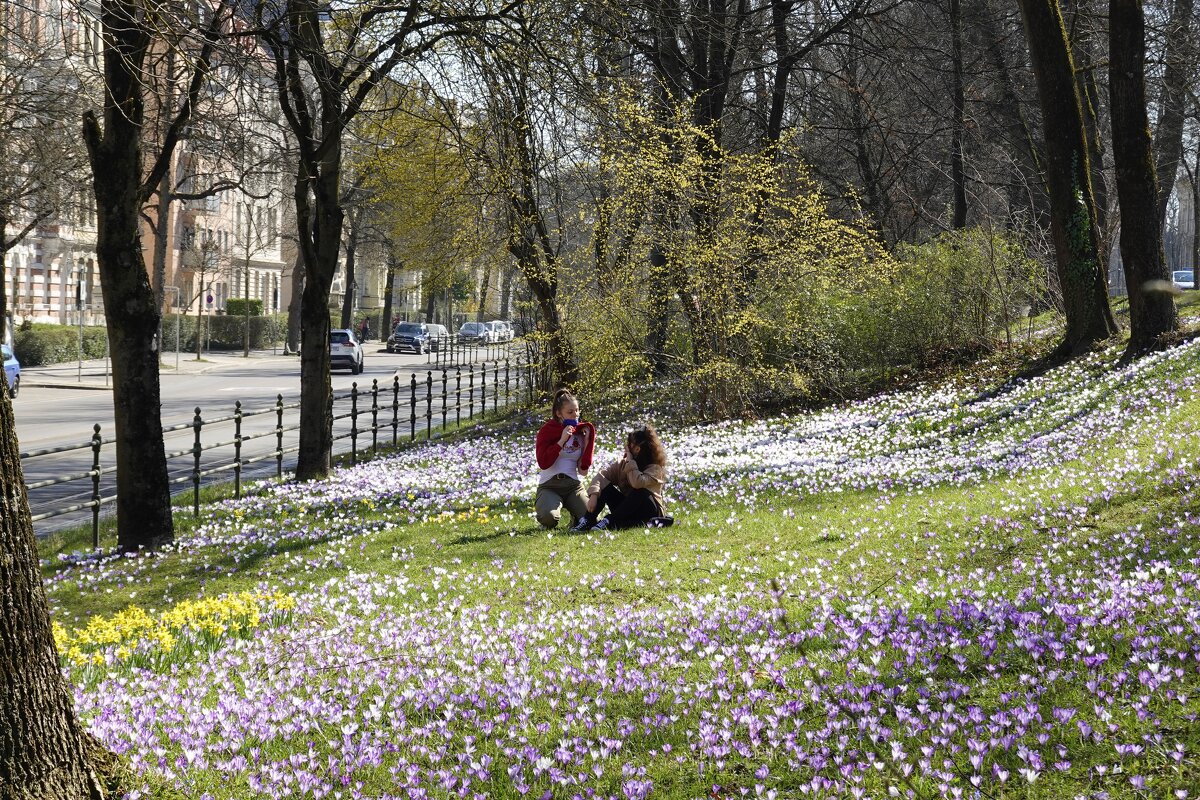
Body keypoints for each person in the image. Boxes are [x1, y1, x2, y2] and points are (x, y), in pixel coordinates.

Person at [574, 424, 672, 531]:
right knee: (605, 487)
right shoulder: (622, 464)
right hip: (627, 509)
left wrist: (630, 461)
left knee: (640, 491)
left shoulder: (655, 469)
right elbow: (601, 476)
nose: (626, 447)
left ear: (637, 449)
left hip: (648, 512)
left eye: (629, 444)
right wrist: (594, 495)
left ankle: (609, 520)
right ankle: (588, 520)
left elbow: (637, 483)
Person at [534, 389, 595, 529]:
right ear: (558, 413)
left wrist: (586, 443)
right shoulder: (547, 431)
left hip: (573, 485)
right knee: (549, 519)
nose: (575, 415)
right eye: (570, 412)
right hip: (550, 485)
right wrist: (562, 440)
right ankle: (546, 509)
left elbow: (583, 471)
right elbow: (543, 462)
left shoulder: (581, 432)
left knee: (590, 518)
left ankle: (575, 516)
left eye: (577, 410)